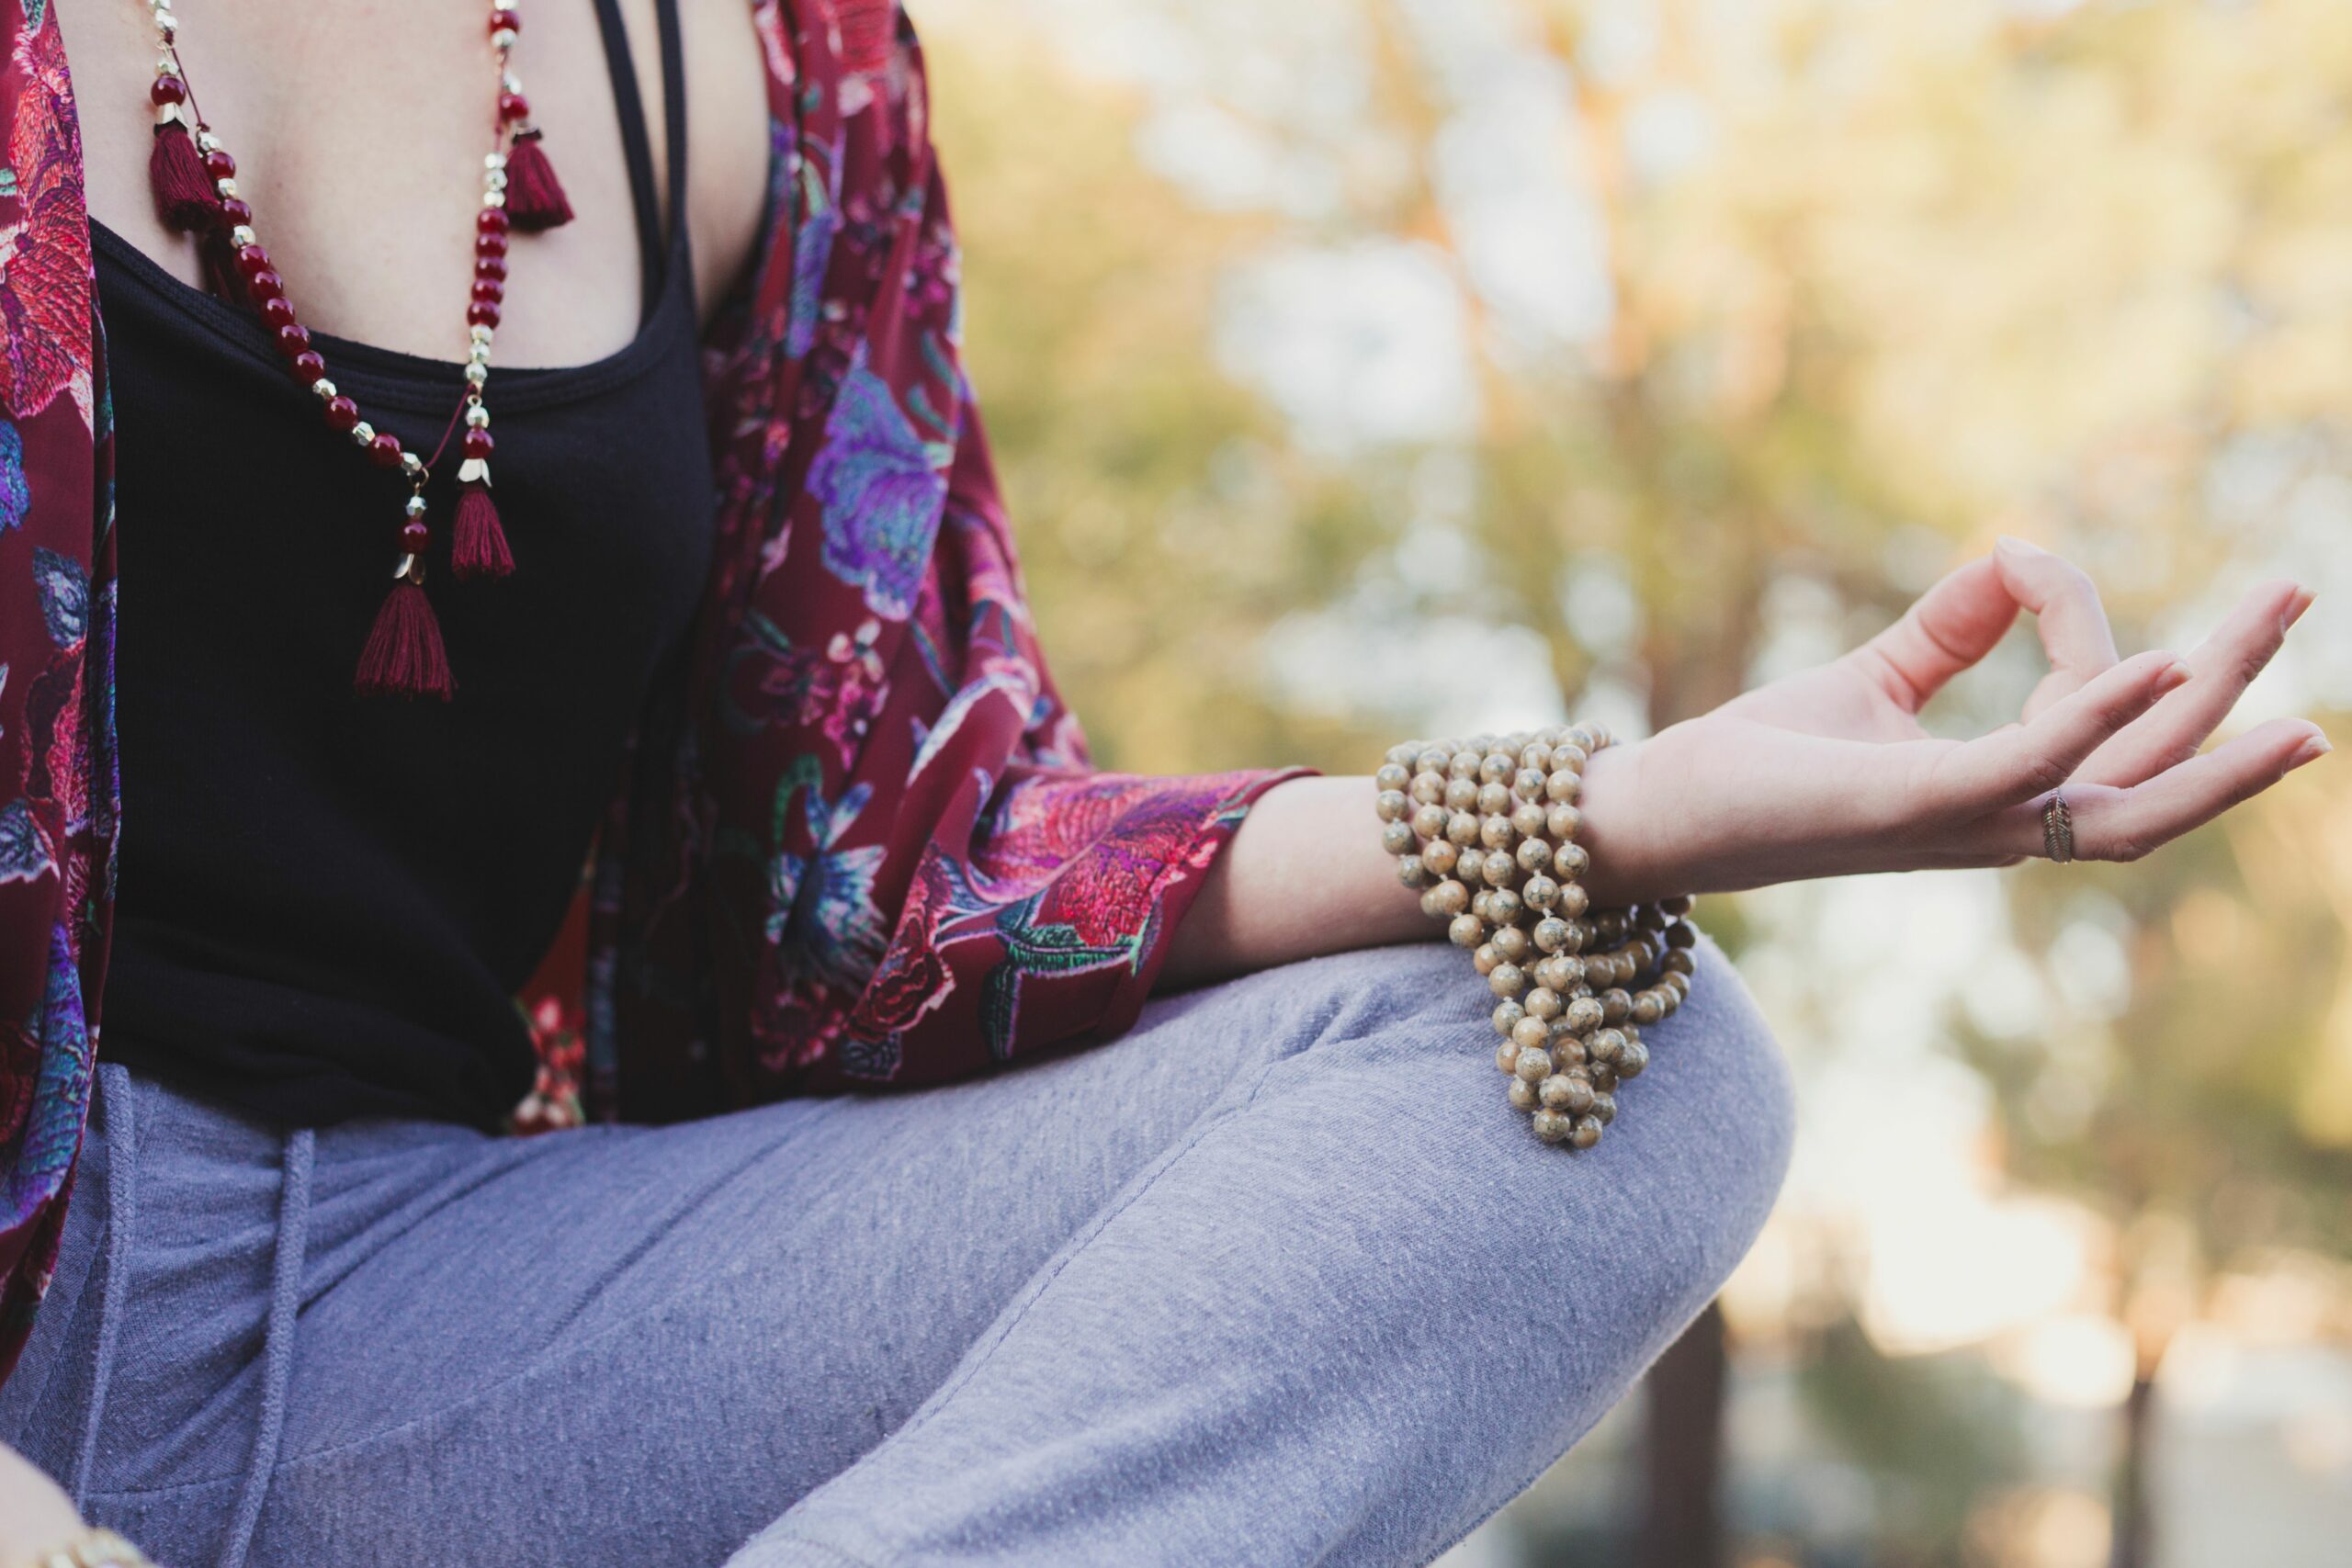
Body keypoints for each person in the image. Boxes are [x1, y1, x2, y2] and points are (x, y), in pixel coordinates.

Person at [0, 1, 2325, 1564]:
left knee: (1595, 1058)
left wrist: (1601, 812)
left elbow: (891, 859)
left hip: (433, 1306)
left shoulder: (772, 67)